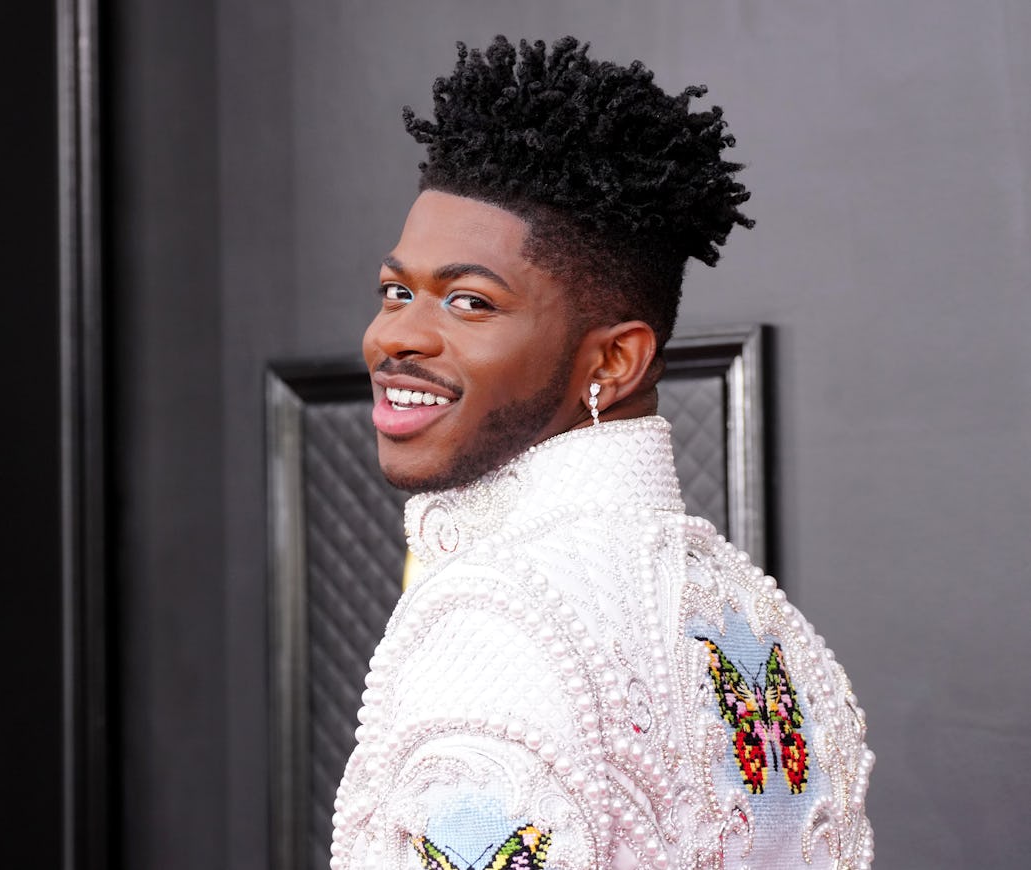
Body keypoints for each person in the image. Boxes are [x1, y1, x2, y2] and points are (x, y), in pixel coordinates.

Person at [330, 37, 873, 869]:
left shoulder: (495, 624)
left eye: (470, 301)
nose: (394, 335)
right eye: (397, 291)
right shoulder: (752, 622)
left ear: (613, 362)